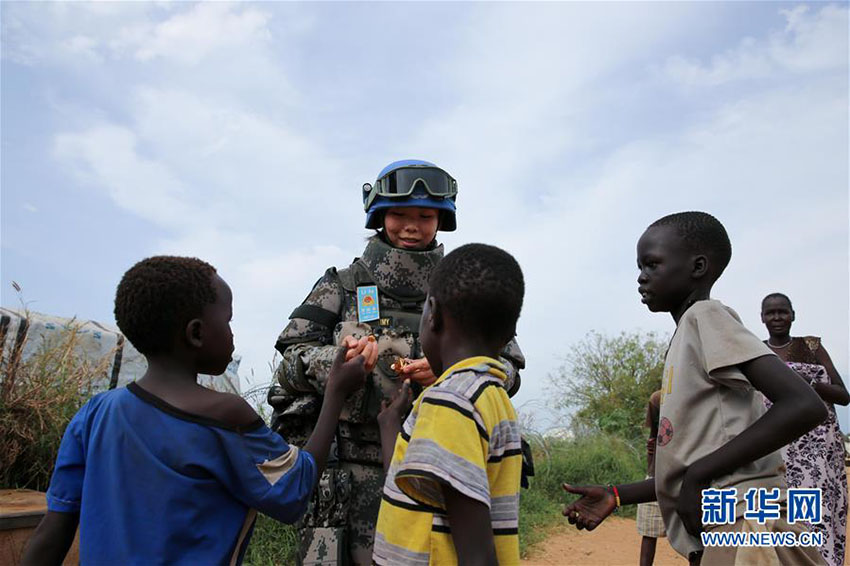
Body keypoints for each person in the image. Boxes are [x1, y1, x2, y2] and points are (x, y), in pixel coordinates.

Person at [21, 256, 372, 566]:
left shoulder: (95, 413)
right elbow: (296, 489)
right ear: (196, 333)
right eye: (228, 321)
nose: (233, 333)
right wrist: (336, 393)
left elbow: (54, 530)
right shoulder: (224, 416)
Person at [267, 160, 525, 565]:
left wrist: (450, 373)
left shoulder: (463, 281)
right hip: (347, 472)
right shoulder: (342, 284)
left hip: (439, 467)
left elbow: (507, 370)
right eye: (400, 214)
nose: (411, 226)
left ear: (442, 220)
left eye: (425, 216)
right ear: (378, 216)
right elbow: (289, 360)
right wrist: (336, 362)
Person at [563, 212, 827, 566]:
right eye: (640, 267)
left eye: (652, 264)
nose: (641, 277)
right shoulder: (686, 334)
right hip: (726, 522)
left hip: (746, 521)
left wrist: (699, 477)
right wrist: (617, 494)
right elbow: (687, 464)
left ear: (698, 267)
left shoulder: (706, 317)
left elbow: (803, 405)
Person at [373, 243, 525, 566]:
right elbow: (423, 498)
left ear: (433, 313)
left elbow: (477, 557)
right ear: (510, 331)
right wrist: (391, 430)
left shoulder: (449, 402)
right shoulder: (490, 394)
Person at [761, 292, 849, 566]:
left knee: (818, 513)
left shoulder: (811, 347)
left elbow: (843, 395)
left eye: (782, 312)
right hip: (775, 449)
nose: (777, 317)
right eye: (771, 313)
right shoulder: (756, 351)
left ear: (793, 315)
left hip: (818, 453)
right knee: (780, 517)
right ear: (762, 318)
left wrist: (806, 383)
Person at [636, 389, 666, 566]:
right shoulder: (658, 399)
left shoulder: (697, 394)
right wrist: (651, 469)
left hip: (691, 473)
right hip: (657, 473)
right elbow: (653, 436)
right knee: (649, 531)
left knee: (694, 538)